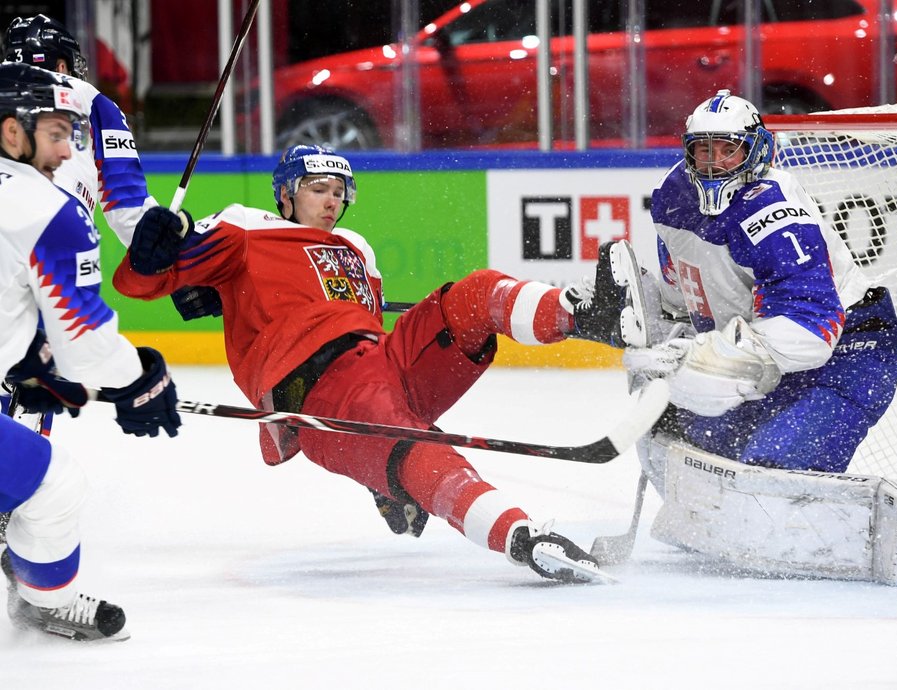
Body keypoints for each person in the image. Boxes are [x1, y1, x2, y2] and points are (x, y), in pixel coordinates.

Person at [112, 144, 614, 584]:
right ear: (285, 194)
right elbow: (144, 280)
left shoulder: (359, 249)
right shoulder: (246, 224)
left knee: (473, 293)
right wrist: (157, 248)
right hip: (316, 388)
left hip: (382, 362)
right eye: (317, 189)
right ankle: (521, 537)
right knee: (412, 443)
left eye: (339, 190)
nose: (332, 200)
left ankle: (589, 316)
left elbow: (367, 331)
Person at [580, 90, 897, 584]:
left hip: (850, 353)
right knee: (678, 431)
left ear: (758, 150)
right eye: (703, 150)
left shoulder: (776, 211)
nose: (714, 162)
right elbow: (688, 294)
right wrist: (656, 328)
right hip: (770, 357)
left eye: (729, 149)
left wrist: (706, 357)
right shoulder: (675, 196)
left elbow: (811, 331)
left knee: (775, 466)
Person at [0, 63, 181, 641]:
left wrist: (31, 367)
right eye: (55, 134)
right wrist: (141, 383)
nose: (66, 151)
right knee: (55, 485)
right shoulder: (44, 209)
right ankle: (43, 600)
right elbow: (83, 339)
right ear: (12, 134)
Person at [3, 13, 221, 321]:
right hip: (54, 245)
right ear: (62, 66)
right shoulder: (90, 100)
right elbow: (128, 208)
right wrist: (185, 270)